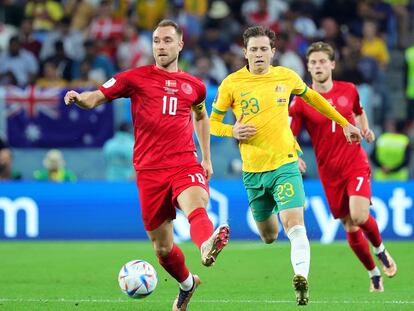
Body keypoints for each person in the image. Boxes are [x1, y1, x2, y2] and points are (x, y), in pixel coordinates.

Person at [64, 20, 230, 311]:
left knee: (196, 205)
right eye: (156, 41)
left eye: (167, 40)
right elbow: (96, 97)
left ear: (180, 44)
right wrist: (80, 98)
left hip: (183, 161)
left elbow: (201, 116)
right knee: (163, 248)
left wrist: (205, 157)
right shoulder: (135, 78)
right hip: (149, 171)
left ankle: (206, 245)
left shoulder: (195, 86)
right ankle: (188, 284)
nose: (160, 46)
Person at [210, 26, 363, 306]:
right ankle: (273, 245)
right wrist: (231, 131)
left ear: (273, 52)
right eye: (253, 49)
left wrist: (345, 123)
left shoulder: (286, 76)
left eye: (263, 49)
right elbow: (212, 123)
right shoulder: (231, 84)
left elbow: (314, 99)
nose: (259, 54)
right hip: (253, 171)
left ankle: (301, 278)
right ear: (245, 52)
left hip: (285, 164)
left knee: (295, 225)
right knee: (269, 236)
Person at [289, 41, 397, 293]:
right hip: (329, 171)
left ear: (332, 64)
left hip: (354, 162)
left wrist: (365, 128)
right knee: (349, 225)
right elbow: (289, 134)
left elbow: (359, 112)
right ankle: (373, 274)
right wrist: (294, 155)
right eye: (313, 62)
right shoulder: (302, 101)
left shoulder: (348, 89)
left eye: (322, 61)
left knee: (359, 216)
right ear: (308, 66)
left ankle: (381, 251)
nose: (318, 66)